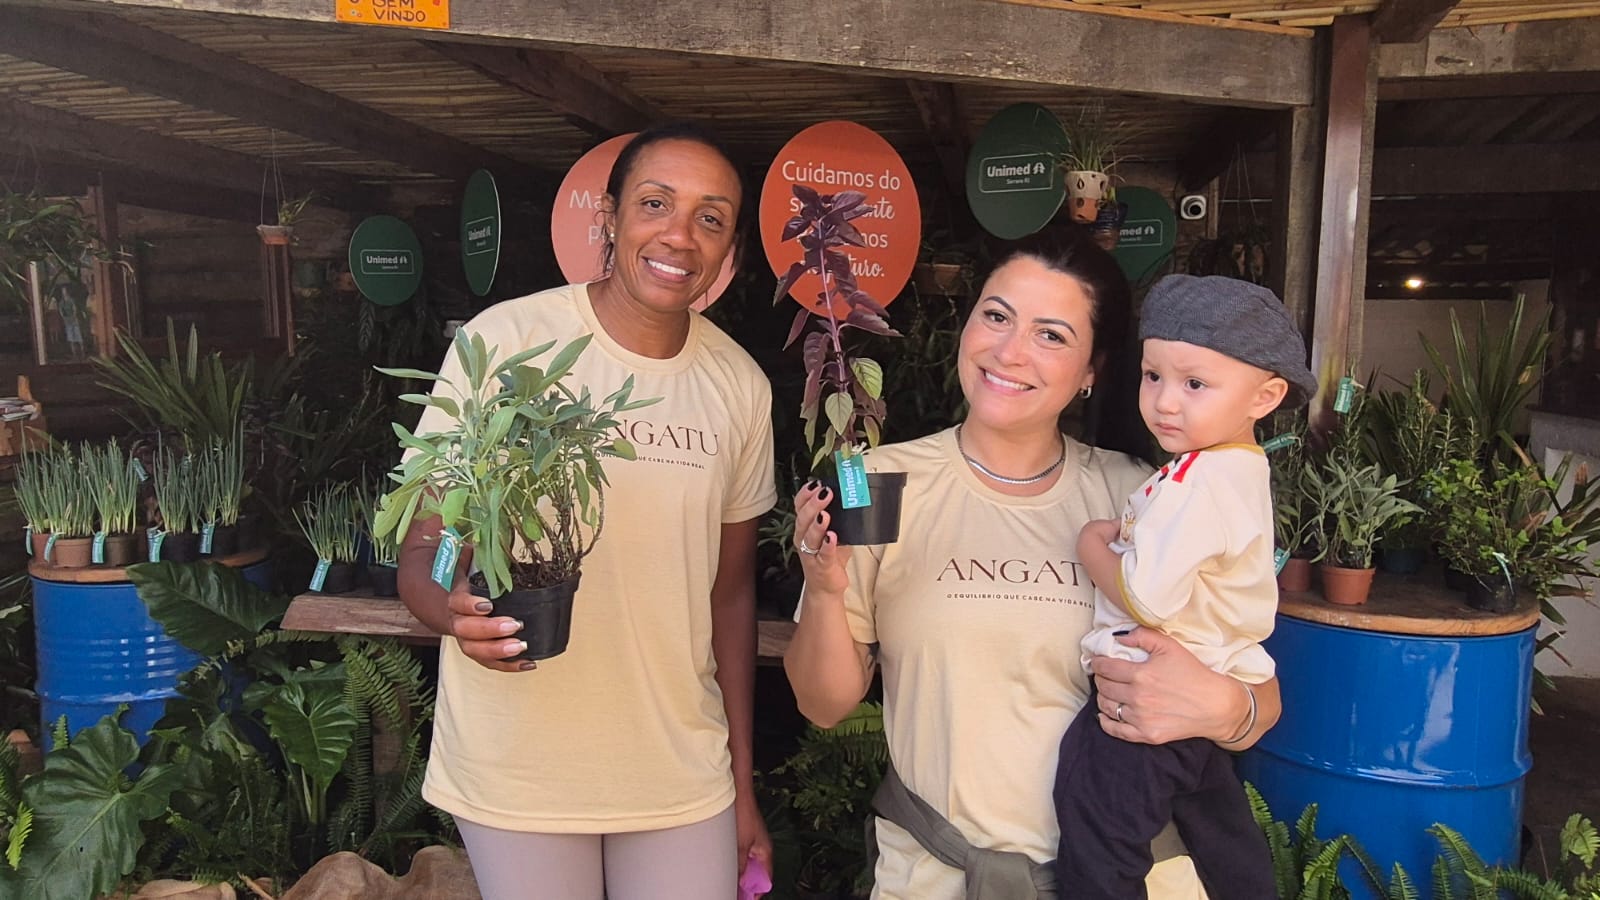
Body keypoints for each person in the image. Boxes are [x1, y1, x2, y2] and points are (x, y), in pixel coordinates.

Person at [783, 233, 1283, 900]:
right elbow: (824, 705)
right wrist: (824, 589)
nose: (1010, 351)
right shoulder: (877, 483)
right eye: (997, 316)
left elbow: (1257, 695)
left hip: (1136, 880)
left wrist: (1221, 705)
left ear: (1092, 370)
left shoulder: (1142, 494)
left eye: (1051, 335)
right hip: (936, 881)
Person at [396, 123, 776, 900]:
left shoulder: (738, 385)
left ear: (730, 249)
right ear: (608, 216)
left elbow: (730, 595)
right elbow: (435, 536)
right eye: (655, 203)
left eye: (710, 218)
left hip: (679, 765)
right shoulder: (508, 342)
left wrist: (742, 783)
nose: (680, 235)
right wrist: (450, 606)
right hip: (521, 764)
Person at [1054, 274, 1316, 898]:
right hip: (1208, 682)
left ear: (1266, 396)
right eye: (1153, 376)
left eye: (1194, 384)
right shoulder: (1237, 468)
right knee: (1217, 827)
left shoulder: (1197, 481)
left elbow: (1147, 598)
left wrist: (1092, 545)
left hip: (1151, 693)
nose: (1165, 402)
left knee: (1097, 822)